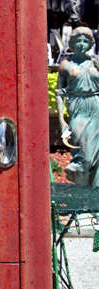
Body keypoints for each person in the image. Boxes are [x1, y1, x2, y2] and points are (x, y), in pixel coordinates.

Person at [56, 26, 99, 186]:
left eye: (85, 40)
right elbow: (60, 92)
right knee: (83, 156)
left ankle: (95, 205)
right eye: (78, 40)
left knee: (97, 158)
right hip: (78, 107)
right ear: (72, 43)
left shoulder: (96, 62)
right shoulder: (66, 65)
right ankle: (82, 204)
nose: (81, 43)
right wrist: (61, 119)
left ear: (90, 43)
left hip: (95, 106)